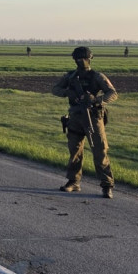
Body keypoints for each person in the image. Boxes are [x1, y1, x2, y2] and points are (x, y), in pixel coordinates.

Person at [51, 46, 118, 198]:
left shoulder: (97, 76)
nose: (81, 61)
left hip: (93, 117)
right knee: (75, 151)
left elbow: (113, 93)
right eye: (78, 59)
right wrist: (67, 92)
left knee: (100, 151)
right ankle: (73, 181)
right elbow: (55, 89)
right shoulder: (70, 76)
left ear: (89, 59)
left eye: (83, 58)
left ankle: (107, 185)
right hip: (75, 117)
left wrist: (97, 100)